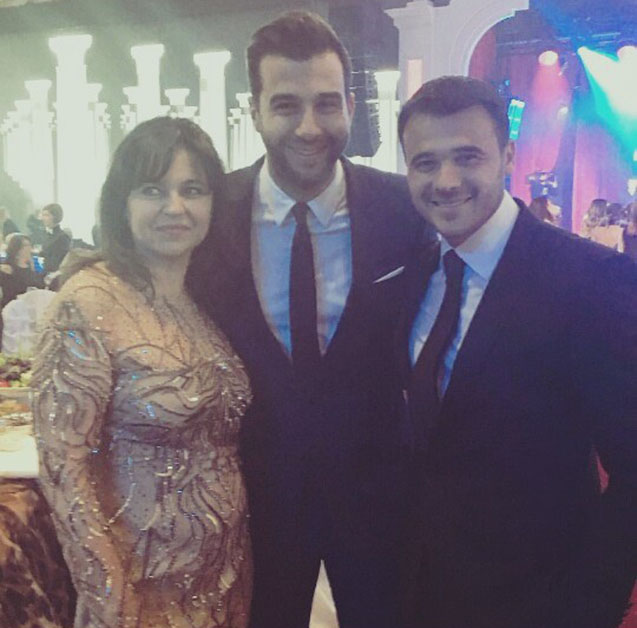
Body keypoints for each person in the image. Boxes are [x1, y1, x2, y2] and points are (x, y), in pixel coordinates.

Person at [190, 10, 428, 627]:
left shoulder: (403, 209)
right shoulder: (211, 215)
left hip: (380, 498)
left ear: (350, 105)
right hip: (255, 499)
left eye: (327, 103)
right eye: (286, 105)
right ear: (254, 111)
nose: (309, 127)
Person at [397, 76, 637, 628]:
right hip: (419, 596)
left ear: (507, 157)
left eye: (467, 157)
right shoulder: (414, 274)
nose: (446, 181)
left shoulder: (591, 279)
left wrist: (591, 606)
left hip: (541, 603)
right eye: (426, 163)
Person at [32, 117, 253, 628]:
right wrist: (110, 596)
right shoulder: (88, 302)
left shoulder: (204, 301)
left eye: (192, 190)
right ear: (122, 202)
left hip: (225, 580)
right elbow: (63, 469)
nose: (175, 207)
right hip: (138, 586)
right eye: (153, 190)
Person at [0, 233, 45, 308]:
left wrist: (32, 266)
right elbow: (11, 291)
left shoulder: (32, 267)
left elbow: (40, 286)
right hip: (13, 307)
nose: (29, 248)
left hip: (31, 305)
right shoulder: (7, 268)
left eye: (30, 245)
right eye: (26, 245)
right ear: (17, 248)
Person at [40, 202, 71, 273]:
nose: (43, 218)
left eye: (46, 215)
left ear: (55, 216)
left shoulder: (63, 237)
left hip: (54, 275)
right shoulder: (45, 234)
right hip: (43, 272)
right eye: (43, 215)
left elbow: (62, 262)